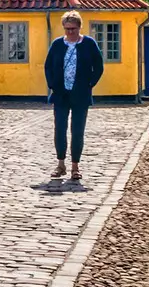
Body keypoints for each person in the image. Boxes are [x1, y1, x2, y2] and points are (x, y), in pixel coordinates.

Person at [44, 11, 104, 183]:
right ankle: (60, 163)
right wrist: (52, 84)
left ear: (79, 27)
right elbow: (48, 66)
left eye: (73, 28)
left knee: (77, 131)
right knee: (60, 129)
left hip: (80, 95)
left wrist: (89, 84)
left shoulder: (88, 44)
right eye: (67, 28)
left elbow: (98, 66)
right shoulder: (57, 44)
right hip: (61, 94)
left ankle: (75, 166)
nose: (70, 32)